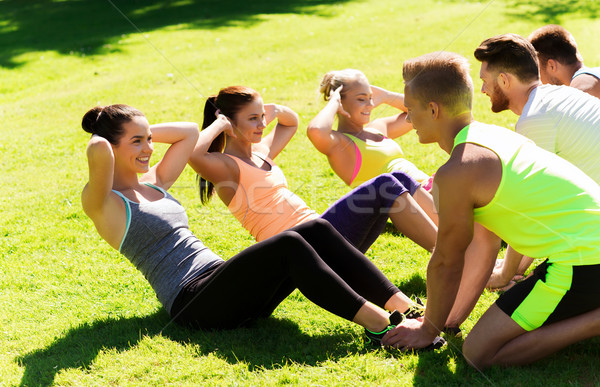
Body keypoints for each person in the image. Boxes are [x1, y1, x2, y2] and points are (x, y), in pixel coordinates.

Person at [80, 104, 447, 348]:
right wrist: (105, 130)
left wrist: (139, 130)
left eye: (148, 139)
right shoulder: (104, 203)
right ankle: (383, 326)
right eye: (137, 142)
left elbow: (188, 132)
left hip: (222, 281)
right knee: (289, 243)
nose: (148, 149)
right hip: (192, 302)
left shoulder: (155, 182)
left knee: (316, 231)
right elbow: (97, 149)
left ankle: (405, 309)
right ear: (112, 146)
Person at [381, 51, 600, 369]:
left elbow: (446, 260)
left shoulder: (458, 171)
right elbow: (483, 245)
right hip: (585, 250)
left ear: (433, 109)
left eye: (410, 110)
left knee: (476, 354)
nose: (409, 119)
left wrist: (428, 327)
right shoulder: (490, 136)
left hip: (584, 259)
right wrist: (447, 322)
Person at [187, 86, 437, 317]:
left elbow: (290, 121)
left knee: (395, 179)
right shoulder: (226, 167)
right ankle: (439, 267)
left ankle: (448, 253)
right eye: (253, 119)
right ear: (229, 121)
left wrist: (271, 110)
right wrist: (219, 124)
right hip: (305, 251)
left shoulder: (261, 151)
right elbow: (193, 152)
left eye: (262, 116)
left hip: (325, 234)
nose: (263, 124)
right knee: (384, 185)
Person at [474, 33, 600, 288]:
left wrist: (504, 273)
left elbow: (532, 206)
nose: (483, 90)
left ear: (504, 80)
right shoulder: (559, 97)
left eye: (485, 81)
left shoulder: (535, 118)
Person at [307, 69, 433, 189]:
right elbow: (316, 130)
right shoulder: (341, 145)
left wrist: (386, 96)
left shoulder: (378, 128)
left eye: (370, 98)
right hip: (412, 203)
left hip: (431, 189)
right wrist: (333, 102)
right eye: (361, 99)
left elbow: (420, 112)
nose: (370, 105)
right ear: (341, 101)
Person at [528, 25, 600, 98]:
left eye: (537, 70)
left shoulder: (582, 88)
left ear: (552, 66)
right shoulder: (593, 76)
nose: (538, 81)